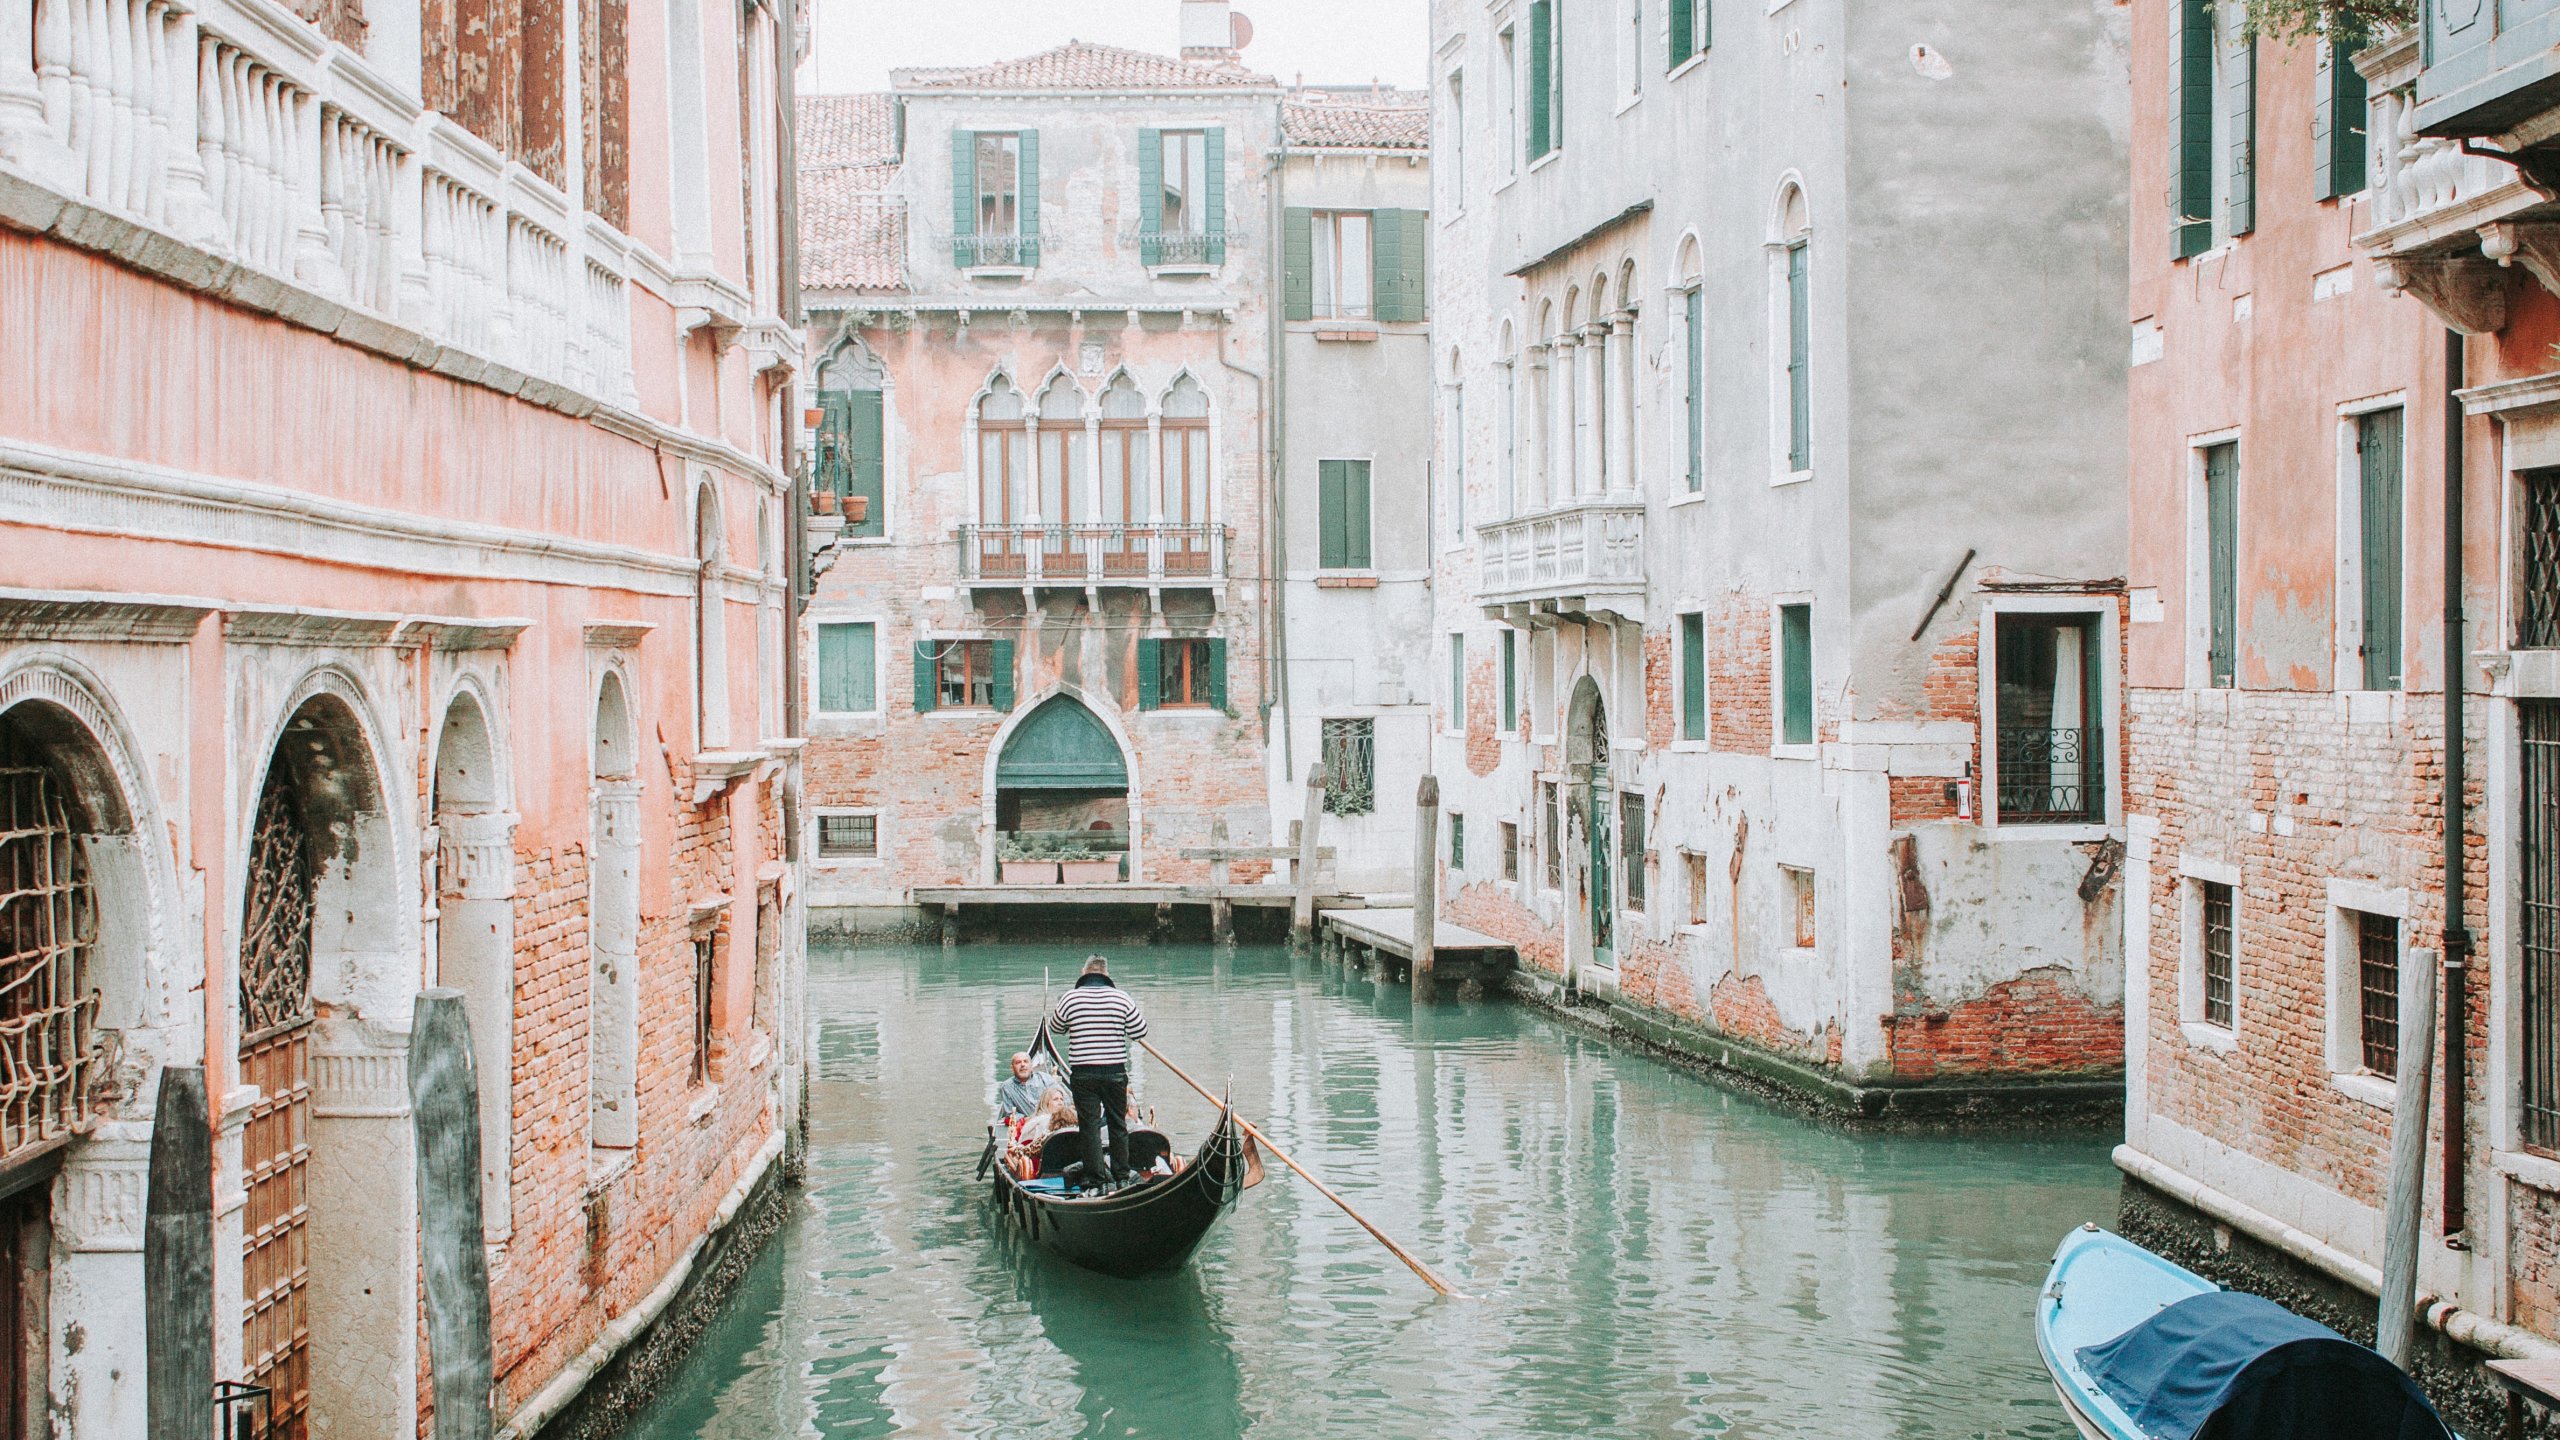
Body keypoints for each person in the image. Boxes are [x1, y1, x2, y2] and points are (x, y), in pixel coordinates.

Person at [1047, 954, 1148, 1191]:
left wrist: (1075, 1023)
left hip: (1083, 1074)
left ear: (1084, 973)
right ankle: (1122, 1178)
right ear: (1106, 974)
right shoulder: (1122, 998)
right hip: (1114, 1073)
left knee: (1090, 1127)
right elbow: (1140, 1031)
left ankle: (1097, 1182)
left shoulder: (1070, 998)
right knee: (1118, 1124)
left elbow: (1055, 1027)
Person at [996, 1051, 1054, 1119]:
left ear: (1031, 1066)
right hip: (1029, 1123)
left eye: (1025, 1061)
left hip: (1052, 1119)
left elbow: (1062, 1099)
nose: (1022, 1065)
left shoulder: (1044, 1078)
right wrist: (1028, 1119)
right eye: (1018, 1062)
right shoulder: (1007, 1086)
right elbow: (1010, 1113)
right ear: (1012, 1068)